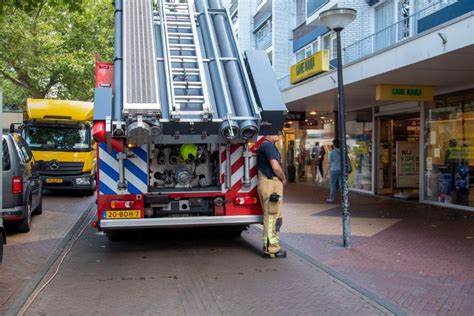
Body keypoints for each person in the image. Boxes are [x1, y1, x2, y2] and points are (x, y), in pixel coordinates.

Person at [257, 135, 287, 258]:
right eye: (275, 133)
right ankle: (271, 249)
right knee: (272, 217)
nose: (278, 135)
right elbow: (275, 167)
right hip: (271, 184)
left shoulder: (265, 145)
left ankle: (270, 246)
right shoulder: (268, 146)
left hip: (268, 182)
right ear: (268, 134)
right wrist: (283, 178)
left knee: (272, 216)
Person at [327, 139, 341, 203]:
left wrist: (326, 172)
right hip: (341, 170)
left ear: (334, 145)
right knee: (342, 184)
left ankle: (331, 199)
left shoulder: (332, 152)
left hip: (334, 170)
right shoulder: (342, 151)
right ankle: (344, 198)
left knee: (333, 185)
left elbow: (329, 162)